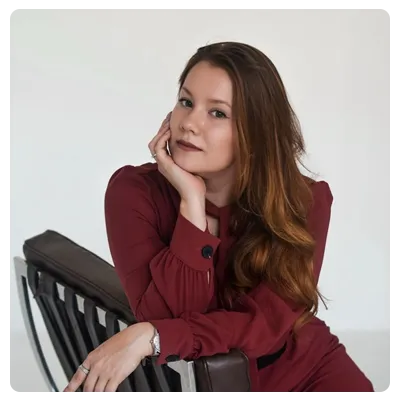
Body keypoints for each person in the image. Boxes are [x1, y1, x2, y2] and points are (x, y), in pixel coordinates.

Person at [64, 41, 374, 392]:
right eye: (186, 102)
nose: (189, 124)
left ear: (255, 132)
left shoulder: (305, 201)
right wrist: (192, 206)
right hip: (210, 385)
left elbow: (265, 327)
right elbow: (171, 321)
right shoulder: (134, 193)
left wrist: (154, 337)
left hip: (309, 371)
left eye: (217, 113)